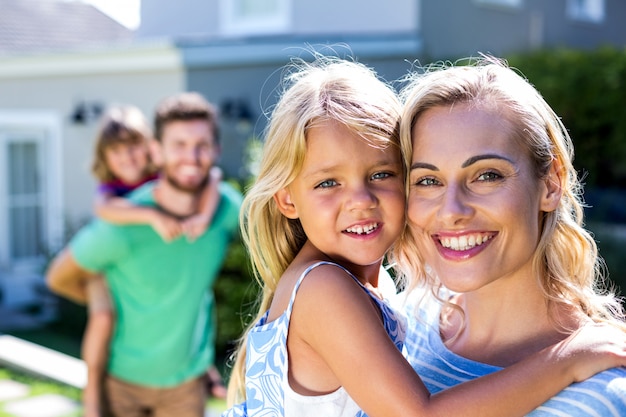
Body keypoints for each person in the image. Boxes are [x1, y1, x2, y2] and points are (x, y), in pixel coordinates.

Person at [222, 56, 626, 417]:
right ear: (287, 199)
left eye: (381, 174)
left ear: (551, 183)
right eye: (328, 182)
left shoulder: (382, 291)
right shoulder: (328, 288)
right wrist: (567, 360)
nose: (361, 200)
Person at [394, 56, 626, 416]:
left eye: (487, 175)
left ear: (551, 183)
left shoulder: (600, 394)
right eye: (428, 180)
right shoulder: (404, 324)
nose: (452, 210)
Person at [46, 92, 242, 417]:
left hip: (187, 388)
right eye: (178, 144)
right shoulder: (120, 225)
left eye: (202, 145)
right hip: (122, 385)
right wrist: (103, 300)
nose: (191, 157)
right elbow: (57, 277)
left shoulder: (226, 209)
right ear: (158, 150)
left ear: (216, 150)